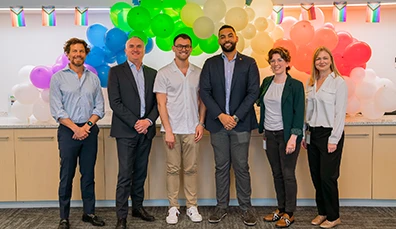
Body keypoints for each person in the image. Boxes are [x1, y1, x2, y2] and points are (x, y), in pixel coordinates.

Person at [199, 25, 260, 226]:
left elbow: (253, 92)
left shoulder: (249, 63)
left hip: (241, 124)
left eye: (229, 35)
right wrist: (221, 116)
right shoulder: (210, 63)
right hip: (218, 125)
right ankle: (221, 207)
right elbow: (205, 92)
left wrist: (234, 117)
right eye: (222, 36)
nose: (226, 39)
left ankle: (246, 208)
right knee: (221, 167)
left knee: (242, 166)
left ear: (236, 38)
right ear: (219, 41)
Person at [49, 37, 105, 229]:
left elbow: (99, 108)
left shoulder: (94, 78)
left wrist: (86, 127)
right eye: (74, 51)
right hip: (68, 132)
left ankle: (89, 213)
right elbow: (57, 110)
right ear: (68, 54)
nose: (78, 54)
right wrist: (75, 129)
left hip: (89, 132)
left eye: (81, 51)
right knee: (66, 175)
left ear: (85, 54)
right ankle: (63, 217)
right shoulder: (58, 78)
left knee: (88, 175)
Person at [153, 33, 206, 225]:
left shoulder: (198, 72)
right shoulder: (164, 73)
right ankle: (173, 207)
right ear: (173, 48)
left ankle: (192, 206)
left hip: (193, 129)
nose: (183, 49)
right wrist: (167, 129)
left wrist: (201, 123)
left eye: (186, 46)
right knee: (173, 170)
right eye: (179, 46)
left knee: (192, 169)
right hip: (172, 130)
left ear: (191, 48)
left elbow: (202, 101)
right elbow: (161, 104)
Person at [107, 36, 159, 229]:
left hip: (146, 131)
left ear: (144, 50)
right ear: (125, 50)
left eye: (139, 46)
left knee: (140, 173)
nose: (135, 49)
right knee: (125, 175)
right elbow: (115, 102)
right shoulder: (116, 72)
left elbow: (158, 103)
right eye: (131, 46)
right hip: (126, 131)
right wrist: (136, 122)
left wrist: (148, 121)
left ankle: (138, 207)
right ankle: (121, 216)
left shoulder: (153, 73)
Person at [257, 47, 305, 228]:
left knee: (288, 174)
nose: (276, 64)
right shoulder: (267, 82)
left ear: (287, 63)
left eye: (279, 60)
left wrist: (294, 137)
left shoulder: (295, 85)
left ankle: (290, 213)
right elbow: (260, 103)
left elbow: (298, 113)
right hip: (269, 134)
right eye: (273, 61)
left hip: (287, 135)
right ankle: (281, 208)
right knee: (276, 173)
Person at [302, 46, 348, 229]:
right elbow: (309, 111)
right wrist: (306, 133)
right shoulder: (311, 82)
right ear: (314, 62)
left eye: (325, 58)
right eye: (318, 59)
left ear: (331, 61)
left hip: (329, 134)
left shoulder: (338, 82)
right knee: (316, 176)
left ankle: (334, 216)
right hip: (313, 133)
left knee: (328, 177)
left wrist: (334, 139)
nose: (321, 61)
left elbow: (340, 113)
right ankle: (322, 212)